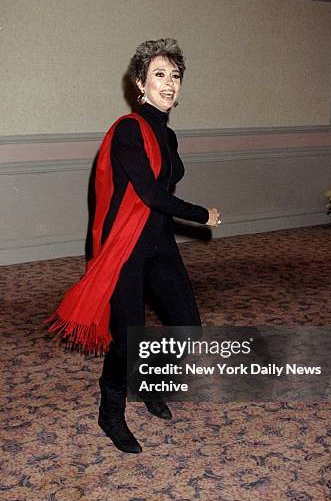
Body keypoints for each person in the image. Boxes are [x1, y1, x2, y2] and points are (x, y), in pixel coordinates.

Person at [46, 38, 220, 454]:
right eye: (159, 74)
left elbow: (159, 189)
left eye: (175, 76)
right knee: (126, 338)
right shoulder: (129, 130)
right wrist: (202, 214)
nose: (170, 83)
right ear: (140, 84)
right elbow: (151, 193)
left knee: (187, 327)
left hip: (158, 244)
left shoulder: (168, 134)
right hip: (127, 249)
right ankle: (110, 411)